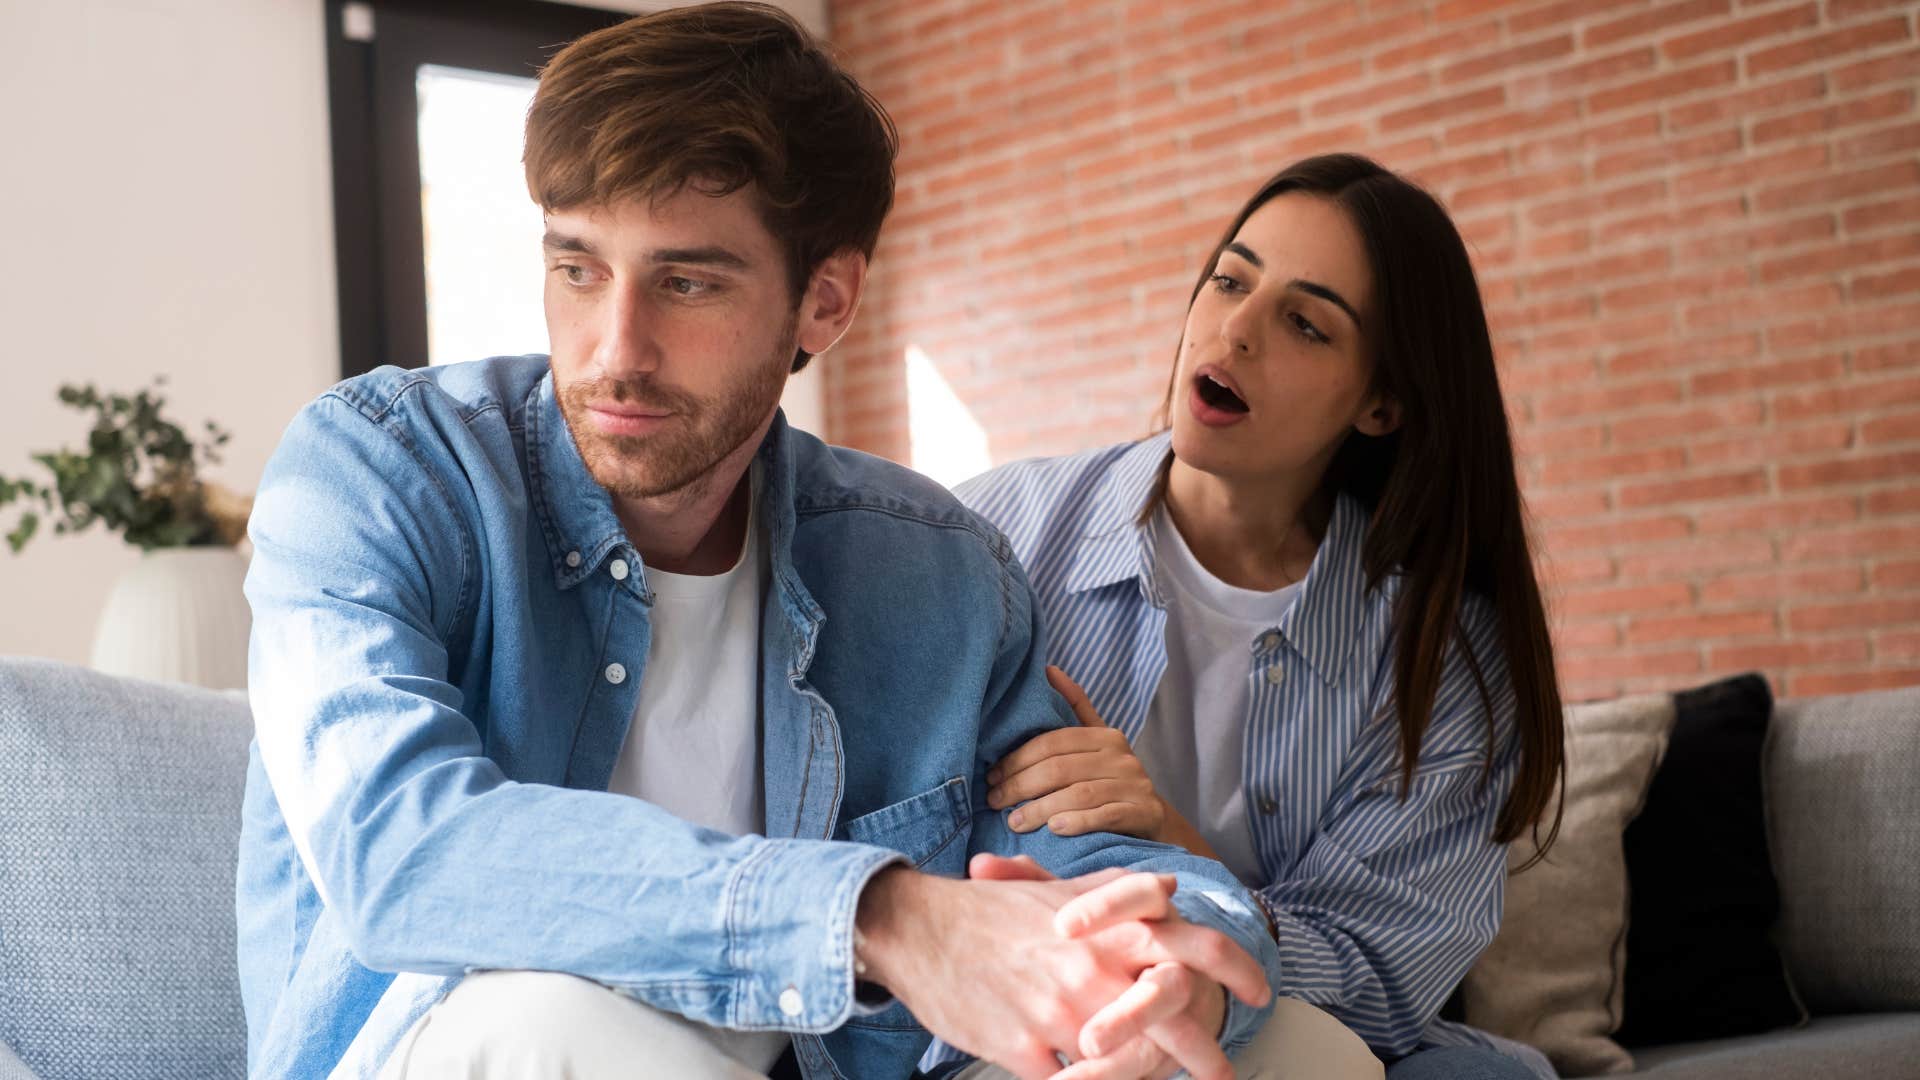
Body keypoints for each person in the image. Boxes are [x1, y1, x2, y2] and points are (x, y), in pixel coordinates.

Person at [234, 5, 1282, 1079]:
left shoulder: (935, 571)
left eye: (687, 283)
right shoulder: (378, 471)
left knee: (1273, 1049)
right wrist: (879, 917)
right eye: (580, 268)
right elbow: (401, 849)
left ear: (823, 303)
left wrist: (1167, 976)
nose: (616, 350)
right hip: (471, 1048)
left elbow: (1109, 870)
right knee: (557, 1023)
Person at [955, 154, 1569, 1080]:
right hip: (1042, 1007)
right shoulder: (1000, 534)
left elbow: (1384, 977)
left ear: (1381, 403)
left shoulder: (1439, 652)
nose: (1235, 331)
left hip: (1306, 1034)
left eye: (1305, 324)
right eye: (1230, 280)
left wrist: (1167, 839)